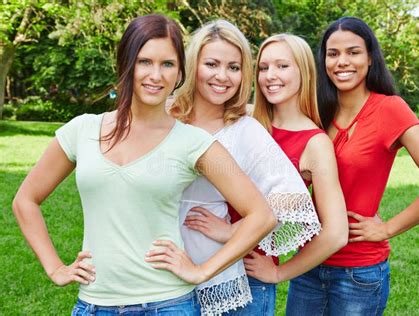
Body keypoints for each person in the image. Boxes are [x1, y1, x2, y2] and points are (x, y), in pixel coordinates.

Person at [12, 14, 277, 315]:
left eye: (167, 64)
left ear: (180, 72)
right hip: (96, 304)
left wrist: (202, 271)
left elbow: (261, 215)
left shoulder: (192, 142)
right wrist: (55, 267)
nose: (156, 75)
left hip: (169, 304)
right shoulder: (82, 130)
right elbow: (25, 201)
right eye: (144, 61)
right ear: (126, 63)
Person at [273, 17, 419, 315]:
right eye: (333, 54)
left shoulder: (390, 109)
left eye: (353, 52)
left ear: (370, 58)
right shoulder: (316, 111)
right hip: (308, 264)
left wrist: (386, 228)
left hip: (358, 274)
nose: (342, 62)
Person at [169, 21, 322, 315]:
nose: (222, 76)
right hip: (160, 268)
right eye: (212, 64)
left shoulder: (244, 128)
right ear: (192, 65)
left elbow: (291, 197)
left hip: (219, 272)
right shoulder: (165, 115)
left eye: (234, 68)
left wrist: (231, 231)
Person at [246, 32, 348, 307]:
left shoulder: (315, 143)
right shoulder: (245, 121)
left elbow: (337, 232)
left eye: (282, 66)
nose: (270, 75)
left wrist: (280, 272)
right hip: (200, 263)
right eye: (264, 67)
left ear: (303, 72)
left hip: (250, 273)